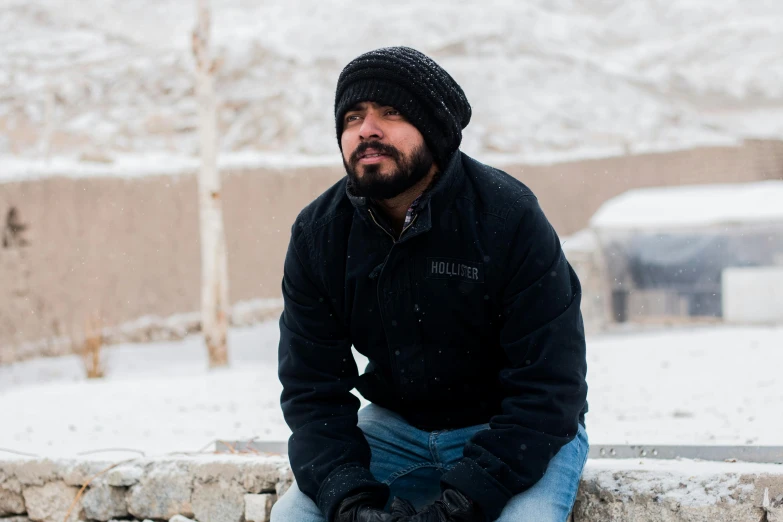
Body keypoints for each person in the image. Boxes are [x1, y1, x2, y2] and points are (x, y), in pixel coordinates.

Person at [271, 46, 588, 522]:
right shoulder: (319, 233)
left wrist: (465, 499)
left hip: (517, 431)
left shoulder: (508, 215)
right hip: (395, 430)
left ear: (435, 131)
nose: (366, 130)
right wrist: (351, 500)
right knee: (295, 517)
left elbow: (550, 386)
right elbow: (312, 390)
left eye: (390, 112)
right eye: (353, 117)